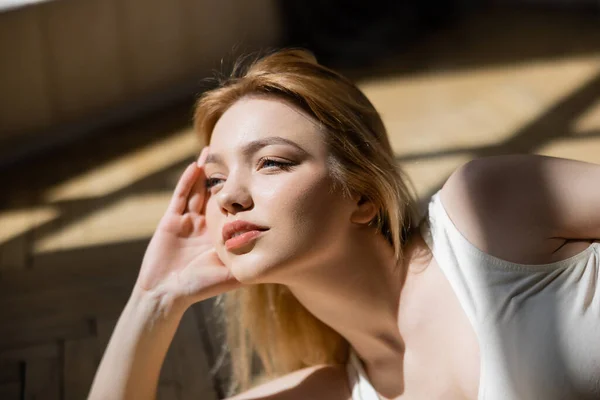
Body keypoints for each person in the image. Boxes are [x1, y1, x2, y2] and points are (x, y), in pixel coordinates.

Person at [89, 49, 600, 400]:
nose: (231, 198)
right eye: (216, 180)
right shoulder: (328, 392)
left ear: (363, 195)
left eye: (271, 162)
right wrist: (155, 297)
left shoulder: (487, 214)